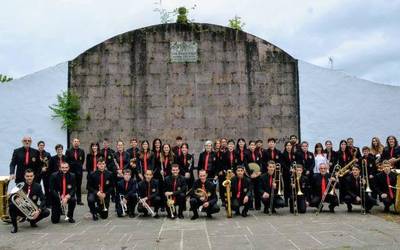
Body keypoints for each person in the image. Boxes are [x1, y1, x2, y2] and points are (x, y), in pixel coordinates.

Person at [9, 169, 50, 233]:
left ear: (33, 176)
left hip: (32, 209)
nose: (29, 178)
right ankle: (15, 226)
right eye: (27, 176)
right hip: (21, 208)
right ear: (24, 176)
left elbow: (43, 199)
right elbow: (11, 197)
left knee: (46, 212)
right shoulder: (20, 185)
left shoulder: (38, 186)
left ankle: (32, 221)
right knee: (11, 206)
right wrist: (16, 199)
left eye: (31, 176)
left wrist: (38, 210)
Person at [65, 138, 85, 205]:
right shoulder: (68, 151)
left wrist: (78, 166)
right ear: (72, 142)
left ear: (79, 143)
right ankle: (71, 199)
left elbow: (82, 161)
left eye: (77, 141)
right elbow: (66, 161)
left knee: (78, 186)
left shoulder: (82, 151)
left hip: (79, 172)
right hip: (71, 172)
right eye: (75, 141)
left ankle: (79, 200)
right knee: (71, 186)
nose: (76, 143)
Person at [247, 140, 262, 210]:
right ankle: (250, 205)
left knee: (257, 190)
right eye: (251, 145)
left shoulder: (258, 154)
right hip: (249, 175)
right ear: (249, 146)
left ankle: (258, 205)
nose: (252, 146)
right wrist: (251, 173)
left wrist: (259, 172)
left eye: (254, 145)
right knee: (250, 190)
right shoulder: (246, 153)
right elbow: (245, 165)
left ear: (255, 146)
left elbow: (260, 164)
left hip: (257, 174)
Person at [281, 141, 296, 206]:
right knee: (286, 186)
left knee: (292, 186)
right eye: (287, 145)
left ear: (291, 146)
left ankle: (292, 200)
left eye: (290, 145)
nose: (288, 147)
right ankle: (286, 200)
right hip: (286, 172)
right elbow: (282, 163)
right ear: (285, 147)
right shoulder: (283, 154)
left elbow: (296, 162)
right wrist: (289, 169)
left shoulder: (294, 154)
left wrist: (294, 169)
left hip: (293, 172)